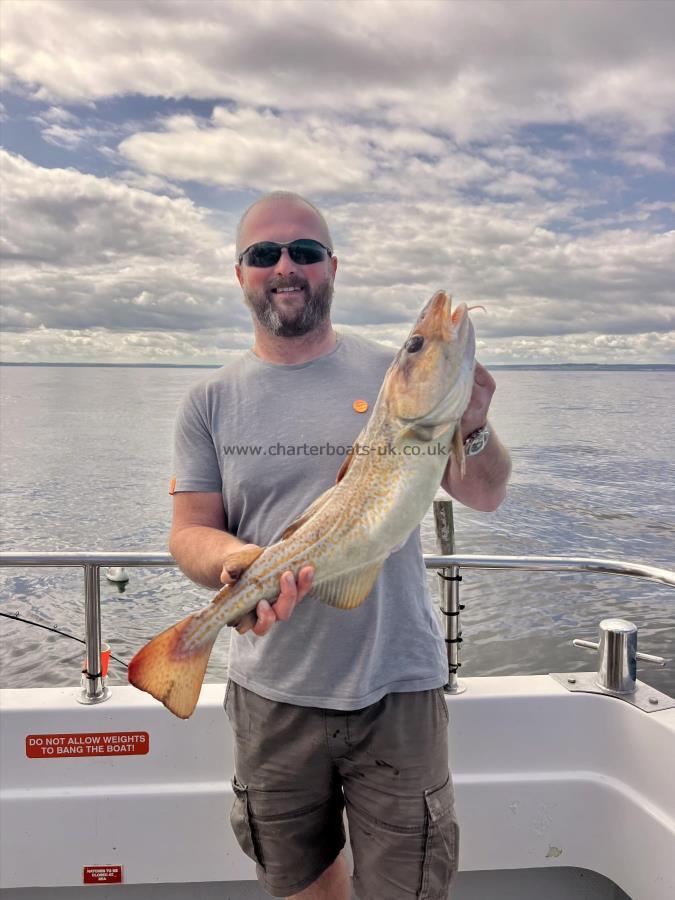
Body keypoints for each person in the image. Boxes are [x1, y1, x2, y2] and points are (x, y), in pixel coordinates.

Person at [169, 191, 511, 900]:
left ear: (332, 267)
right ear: (241, 274)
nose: (285, 266)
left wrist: (471, 426)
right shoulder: (208, 399)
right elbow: (189, 532)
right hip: (272, 693)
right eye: (265, 254)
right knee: (301, 886)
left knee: (407, 888)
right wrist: (236, 563)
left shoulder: (392, 379)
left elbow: (484, 493)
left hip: (397, 685)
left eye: (305, 251)